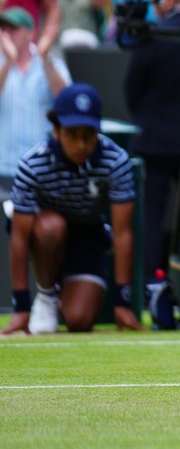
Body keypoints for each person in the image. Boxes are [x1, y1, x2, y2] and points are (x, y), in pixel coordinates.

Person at [0, 82, 142, 334]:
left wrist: (123, 301)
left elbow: (124, 233)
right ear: (56, 130)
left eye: (88, 135)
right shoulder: (31, 164)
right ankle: (45, 297)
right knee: (52, 226)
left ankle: (62, 293)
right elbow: (20, 238)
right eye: (72, 134)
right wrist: (21, 308)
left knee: (79, 320)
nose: (80, 145)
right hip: (42, 232)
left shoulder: (116, 161)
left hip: (87, 234)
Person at [122, 0, 180, 329]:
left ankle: (155, 283)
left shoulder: (153, 38)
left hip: (155, 140)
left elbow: (132, 89)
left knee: (152, 216)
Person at [0, 6, 69, 190]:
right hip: (2, 168)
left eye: (13, 28)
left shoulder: (51, 63)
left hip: (41, 168)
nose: (7, 33)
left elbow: (66, 102)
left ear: (30, 32)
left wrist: (45, 59)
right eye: (3, 28)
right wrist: (8, 60)